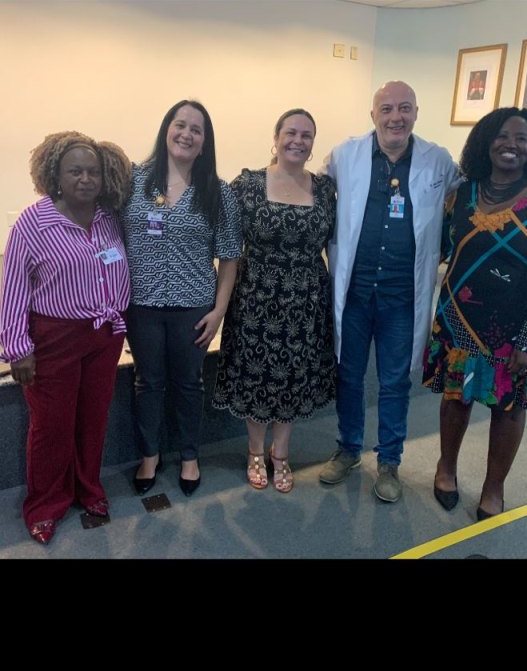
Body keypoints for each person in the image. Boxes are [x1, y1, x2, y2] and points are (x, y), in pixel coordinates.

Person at [423, 107, 527, 520]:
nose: (510, 145)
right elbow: (438, 247)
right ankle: (445, 468)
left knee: (508, 408)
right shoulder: (462, 195)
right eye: (502, 136)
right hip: (459, 320)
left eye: (521, 139)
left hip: (516, 331)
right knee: (455, 399)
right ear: (486, 142)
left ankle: (494, 488)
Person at [318, 81, 460, 503]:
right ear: (373, 114)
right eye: (386, 109)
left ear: (416, 112)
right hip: (355, 291)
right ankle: (348, 449)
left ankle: (389, 461)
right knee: (348, 374)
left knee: (395, 381)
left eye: (404, 108)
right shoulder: (345, 155)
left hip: (402, 296)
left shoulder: (437, 160)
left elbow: (466, 200)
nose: (395, 117)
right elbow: (313, 194)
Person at [0, 131, 132, 544]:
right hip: (54, 339)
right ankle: (44, 505)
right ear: (55, 175)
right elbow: (13, 287)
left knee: (93, 418)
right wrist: (17, 347)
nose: (85, 179)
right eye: (75, 171)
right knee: (52, 426)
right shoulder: (34, 222)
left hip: (104, 337)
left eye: (93, 172)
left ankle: (88, 489)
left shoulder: (110, 217)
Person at [120, 100, 242, 497]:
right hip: (141, 304)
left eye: (196, 129)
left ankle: (190, 456)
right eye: (180, 125)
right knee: (147, 381)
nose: (186, 134)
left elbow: (229, 256)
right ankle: (149, 455)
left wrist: (219, 310)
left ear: (205, 142)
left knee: (190, 383)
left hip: (194, 306)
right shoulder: (133, 182)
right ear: (166, 129)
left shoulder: (218, 192)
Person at [212, 109, 337, 492]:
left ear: (313, 144)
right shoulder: (247, 185)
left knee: (293, 375)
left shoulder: (325, 189)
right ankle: (254, 451)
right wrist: (218, 304)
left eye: (306, 135)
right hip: (256, 298)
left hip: (306, 299)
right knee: (257, 374)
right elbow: (228, 247)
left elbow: (335, 243)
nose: (298, 141)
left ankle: (280, 453)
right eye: (291, 133)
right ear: (276, 137)